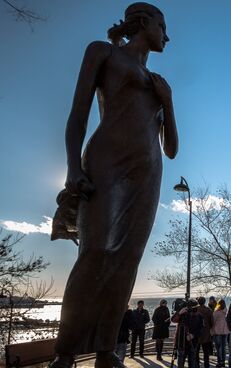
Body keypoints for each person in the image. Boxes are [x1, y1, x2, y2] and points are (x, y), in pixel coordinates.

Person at [49, 3, 178, 367]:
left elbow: (170, 149)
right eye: (161, 25)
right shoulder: (102, 52)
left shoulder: (159, 85)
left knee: (127, 260)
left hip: (148, 173)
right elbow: (78, 113)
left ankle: (106, 350)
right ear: (142, 22)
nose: (167, 35)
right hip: (106, 164)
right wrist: (73, 167)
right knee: (95, 253)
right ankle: (66, 352)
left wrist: (168, 102)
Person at [172, 299, 204, 368]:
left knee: (192, 363)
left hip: (193, 343)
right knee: (180, 363)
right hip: (181, 342)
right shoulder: (183, 314)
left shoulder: (199, 316)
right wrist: (179, 313)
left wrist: (193, 335)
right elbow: (173, 320)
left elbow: (201, 329)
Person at [195, 297, 214, 368]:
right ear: (205, 301)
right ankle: (207, 366)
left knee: (196, 352)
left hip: (196, 334)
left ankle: (196, 365)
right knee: (206, 352)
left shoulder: (195, 310)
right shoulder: (209, 310)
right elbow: (212, 323)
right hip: (206, 334)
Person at [211, 299, 229, 368]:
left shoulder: (216, 313)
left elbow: (212, 323)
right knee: (224, 348)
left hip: (217, 332)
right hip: (225, 332)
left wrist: (211, 332)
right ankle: (223, 362)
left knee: (218, 348)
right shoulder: (226, 312)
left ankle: (219, 362)